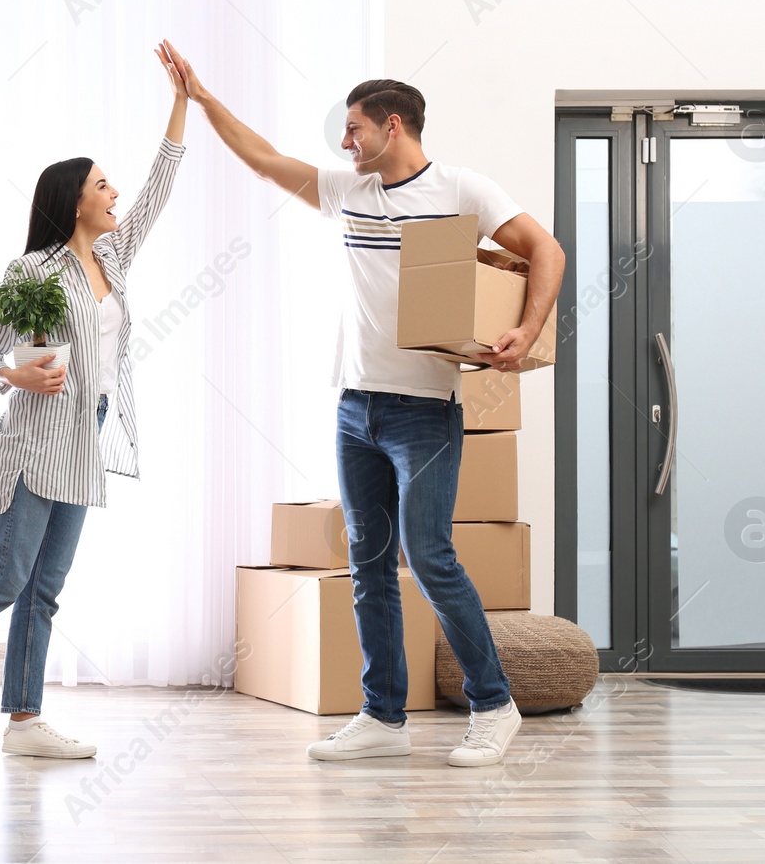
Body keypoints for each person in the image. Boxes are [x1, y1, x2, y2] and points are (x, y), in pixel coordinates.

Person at [162, 40, 563, 766]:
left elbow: (547, 250)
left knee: (430, 555)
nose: (345, 142)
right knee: (369, 560)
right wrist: (201, 97)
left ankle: (494, 704)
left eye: (354, 129)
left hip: (424, 411)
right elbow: (262, 158)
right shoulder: (352, 192)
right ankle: (382, 715)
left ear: (394, 127)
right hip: (356, 408)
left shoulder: (462, 192)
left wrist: (526, 329)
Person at [0, 46, 190, 763]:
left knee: (45, 586)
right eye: (103, 185)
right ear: (74, 200)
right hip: (34, 438)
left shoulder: (113, 258)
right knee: (6, 574)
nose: (116, 194)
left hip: (90, 429)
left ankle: (24, 720)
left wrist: (183, 101)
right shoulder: (33, 270)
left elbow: (160, 187)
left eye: (114, 185)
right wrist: (15, 380)